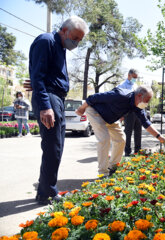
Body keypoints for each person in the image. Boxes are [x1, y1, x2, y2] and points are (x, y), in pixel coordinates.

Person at [29, 16, 88, 205]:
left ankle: (45, 190)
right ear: (64, 30)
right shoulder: (46, 40)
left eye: (80, 40)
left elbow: (45, 75)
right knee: (52, 147)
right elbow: (37, 75)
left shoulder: (60, 47)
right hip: (49, 99)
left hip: (57, 99)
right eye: (75, 38)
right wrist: (45, 105)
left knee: (56, 147)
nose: (77, 43)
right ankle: (48, 193)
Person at [75, 86, 165, 176]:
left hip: (110, 118)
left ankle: (113, 168)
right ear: (139, 95)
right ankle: (103, 173)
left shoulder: (137, 106)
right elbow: (93, 97)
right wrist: (81, 108)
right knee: (104, 139)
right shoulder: (121, 95)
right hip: (96, 112)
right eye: (147, 99)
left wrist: (159, 137)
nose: (147, 103)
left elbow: (146, 123)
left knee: (121, 140)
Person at [117, 69, 142, 156]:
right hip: (128, 112)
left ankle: (138, 151)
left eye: (136, 77)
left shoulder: (135, 85)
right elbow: (120, 100)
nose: (135, 79)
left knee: (138, 131)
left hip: (137, 111)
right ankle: (127, 151)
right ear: (129, 75)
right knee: (128, 132)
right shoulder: (122, 85)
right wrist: (121, 114)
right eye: (134, 77)